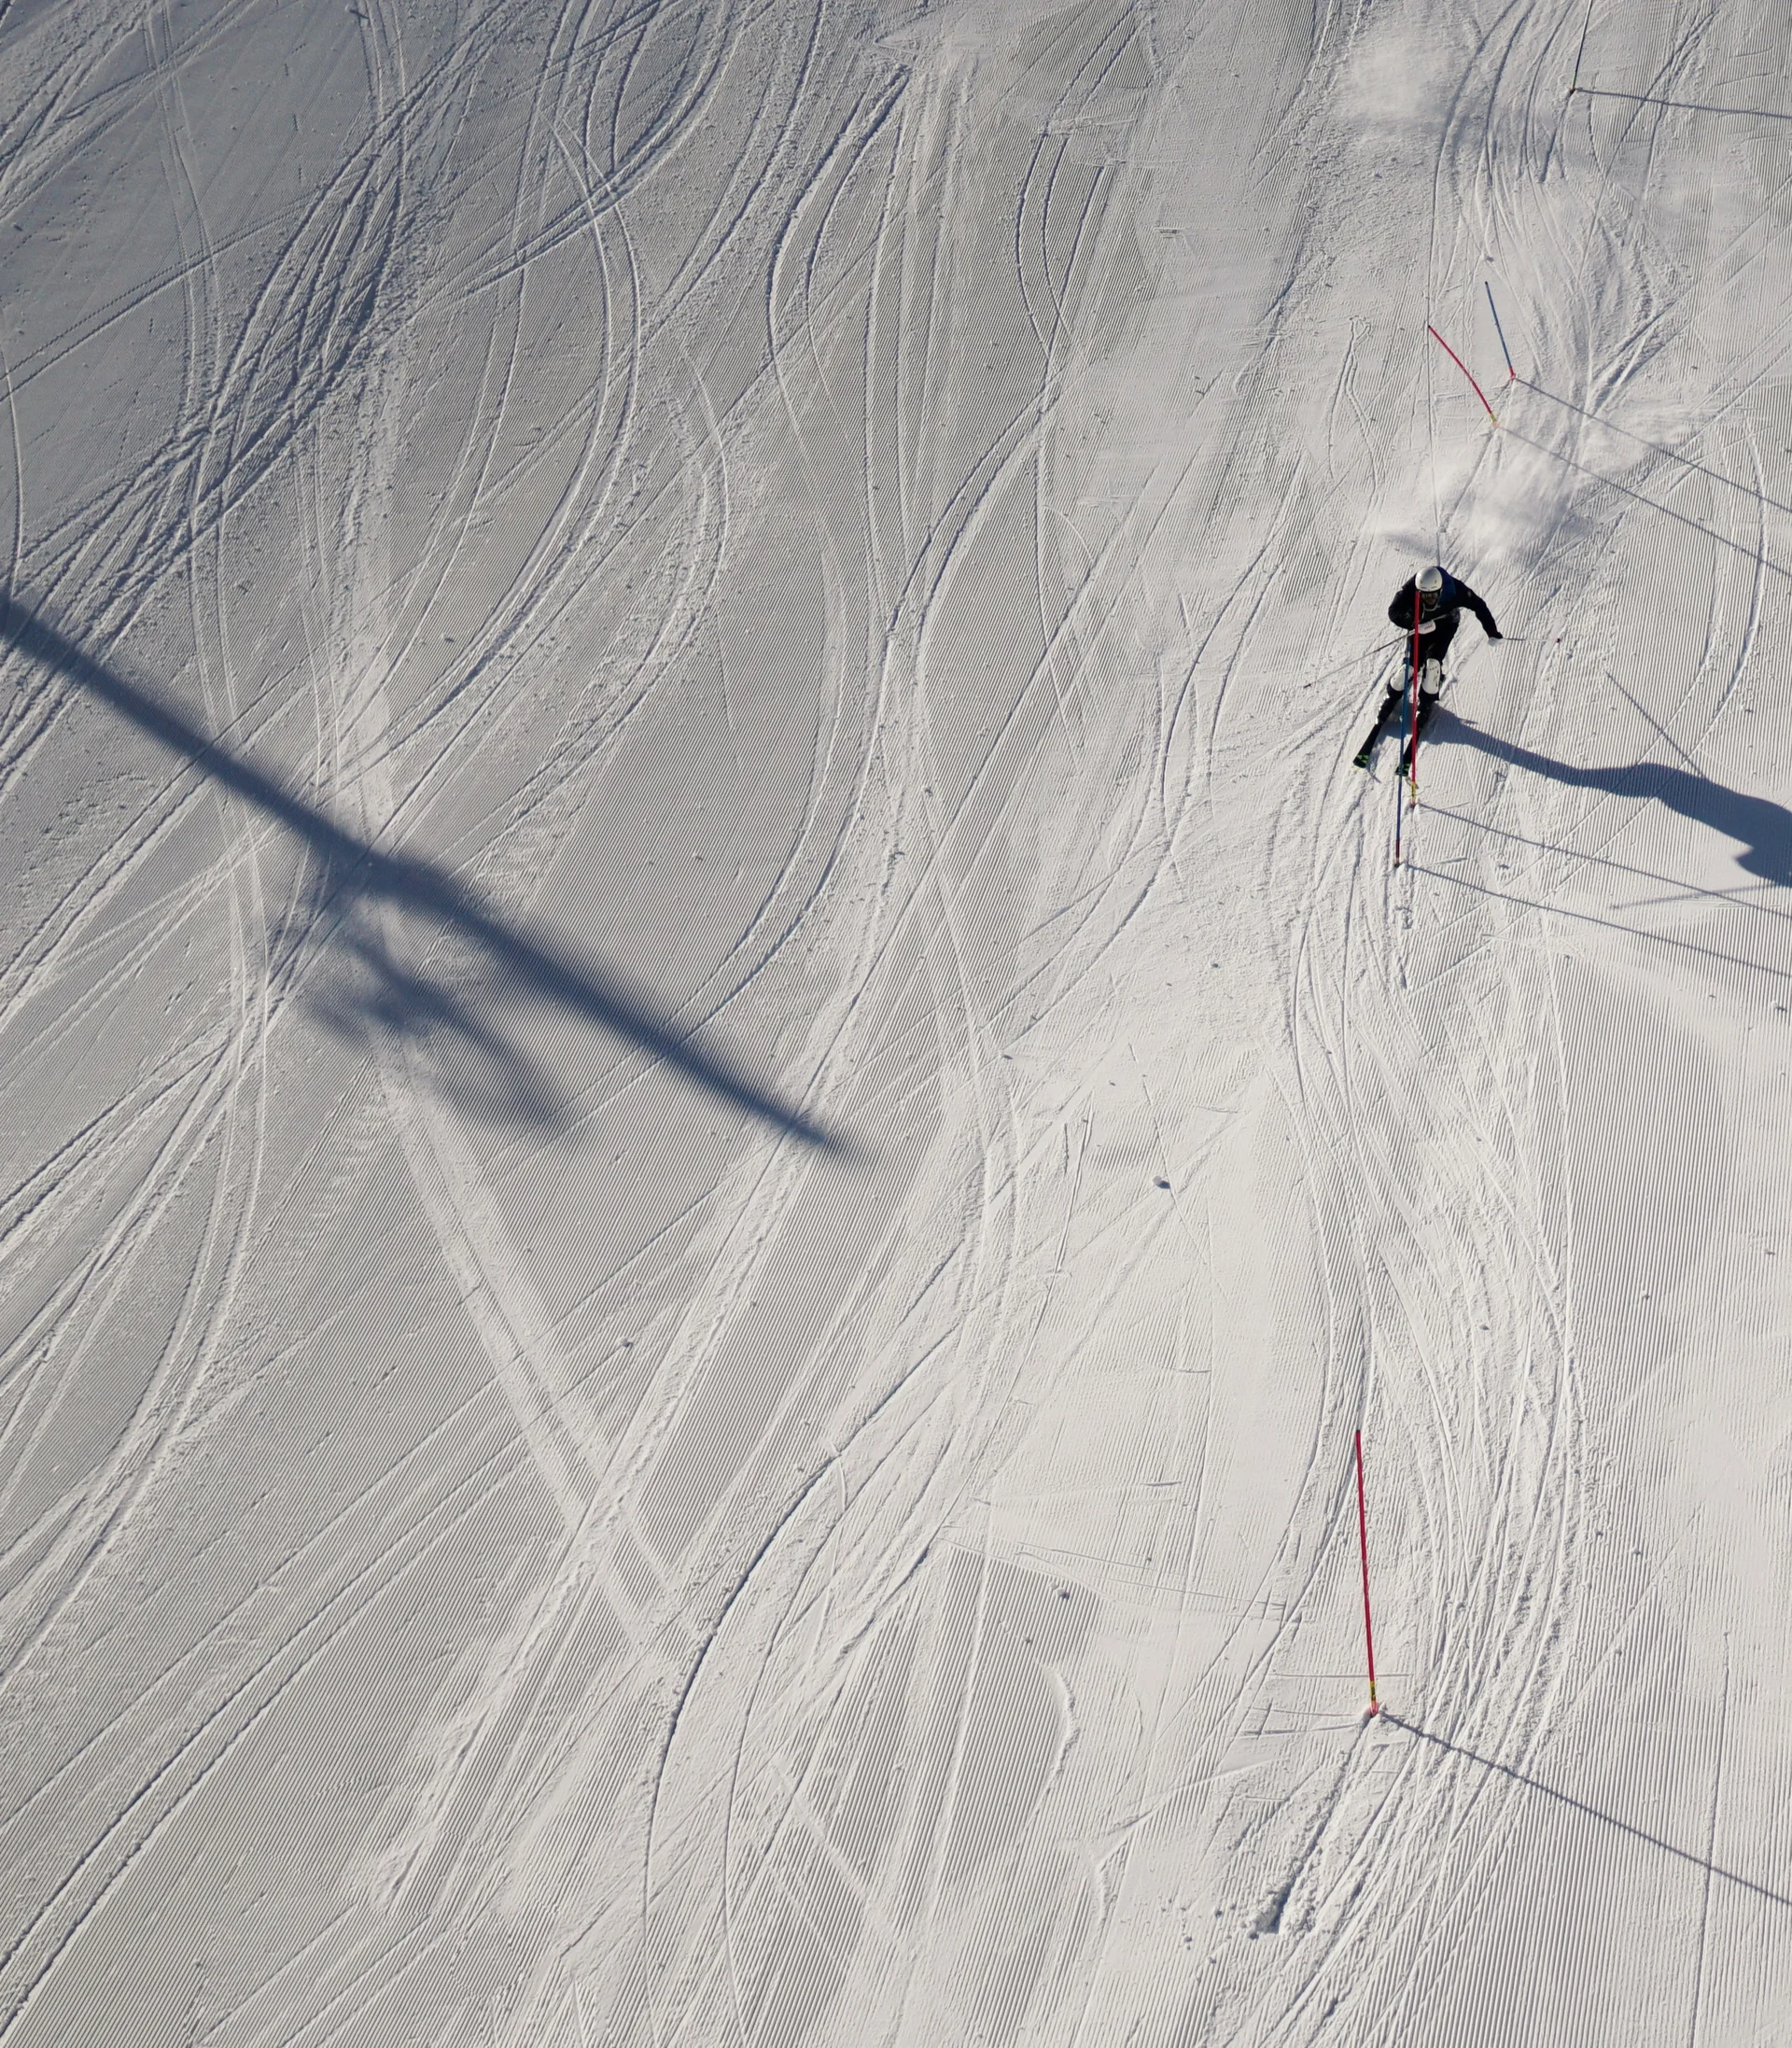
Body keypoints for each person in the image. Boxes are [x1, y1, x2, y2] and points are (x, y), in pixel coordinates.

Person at [1354, 564, 1503, 769]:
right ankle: (1392, 695)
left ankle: (1425, 703)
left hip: (1444, 626)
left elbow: (1479, 605)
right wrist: (1413, 624)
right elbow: (1393, 611)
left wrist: (1492, 631)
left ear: (1440, 590)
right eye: (1425, 596)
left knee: (1433, 666)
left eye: (1433, 597)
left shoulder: (1455, 590)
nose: (1429, 600)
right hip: (1420, 626)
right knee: (1410, 669)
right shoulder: (1413, 588)